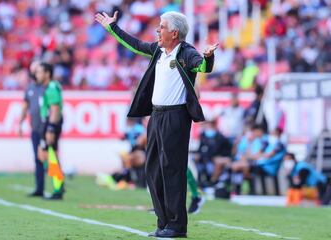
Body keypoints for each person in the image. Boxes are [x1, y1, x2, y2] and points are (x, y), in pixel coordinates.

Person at [95, 11, 218, 238]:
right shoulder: (158, 51)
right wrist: (113, 29)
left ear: (174, 32)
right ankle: (163, 222)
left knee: (172, 170)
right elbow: (135, 44)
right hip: (156, 116)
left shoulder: (187, 52)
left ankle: (176, 225)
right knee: (153, 169)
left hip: (176, 117)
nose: (157, 30)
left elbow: (202, 67)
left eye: (161, 27)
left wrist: (208, 56)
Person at [36, 62, 65, 200]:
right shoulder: (49, 87)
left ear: (47, 73)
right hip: (48, 123)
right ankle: (58, 182)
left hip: (51, 124)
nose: (37, 75)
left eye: (40, 72)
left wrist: (51, 128)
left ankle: (58, 187)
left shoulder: (52, 88)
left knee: (51, 154)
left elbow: (55, 109)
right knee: (43, 154)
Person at [18, 60, 45, 197]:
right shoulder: (30, 88)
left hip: (46, 129)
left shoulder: (48, 87)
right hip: (35, 128)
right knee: (37, 159)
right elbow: (24, 107)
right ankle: (39, 188)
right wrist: (20, 124)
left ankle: (58, 187)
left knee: (49, 158)